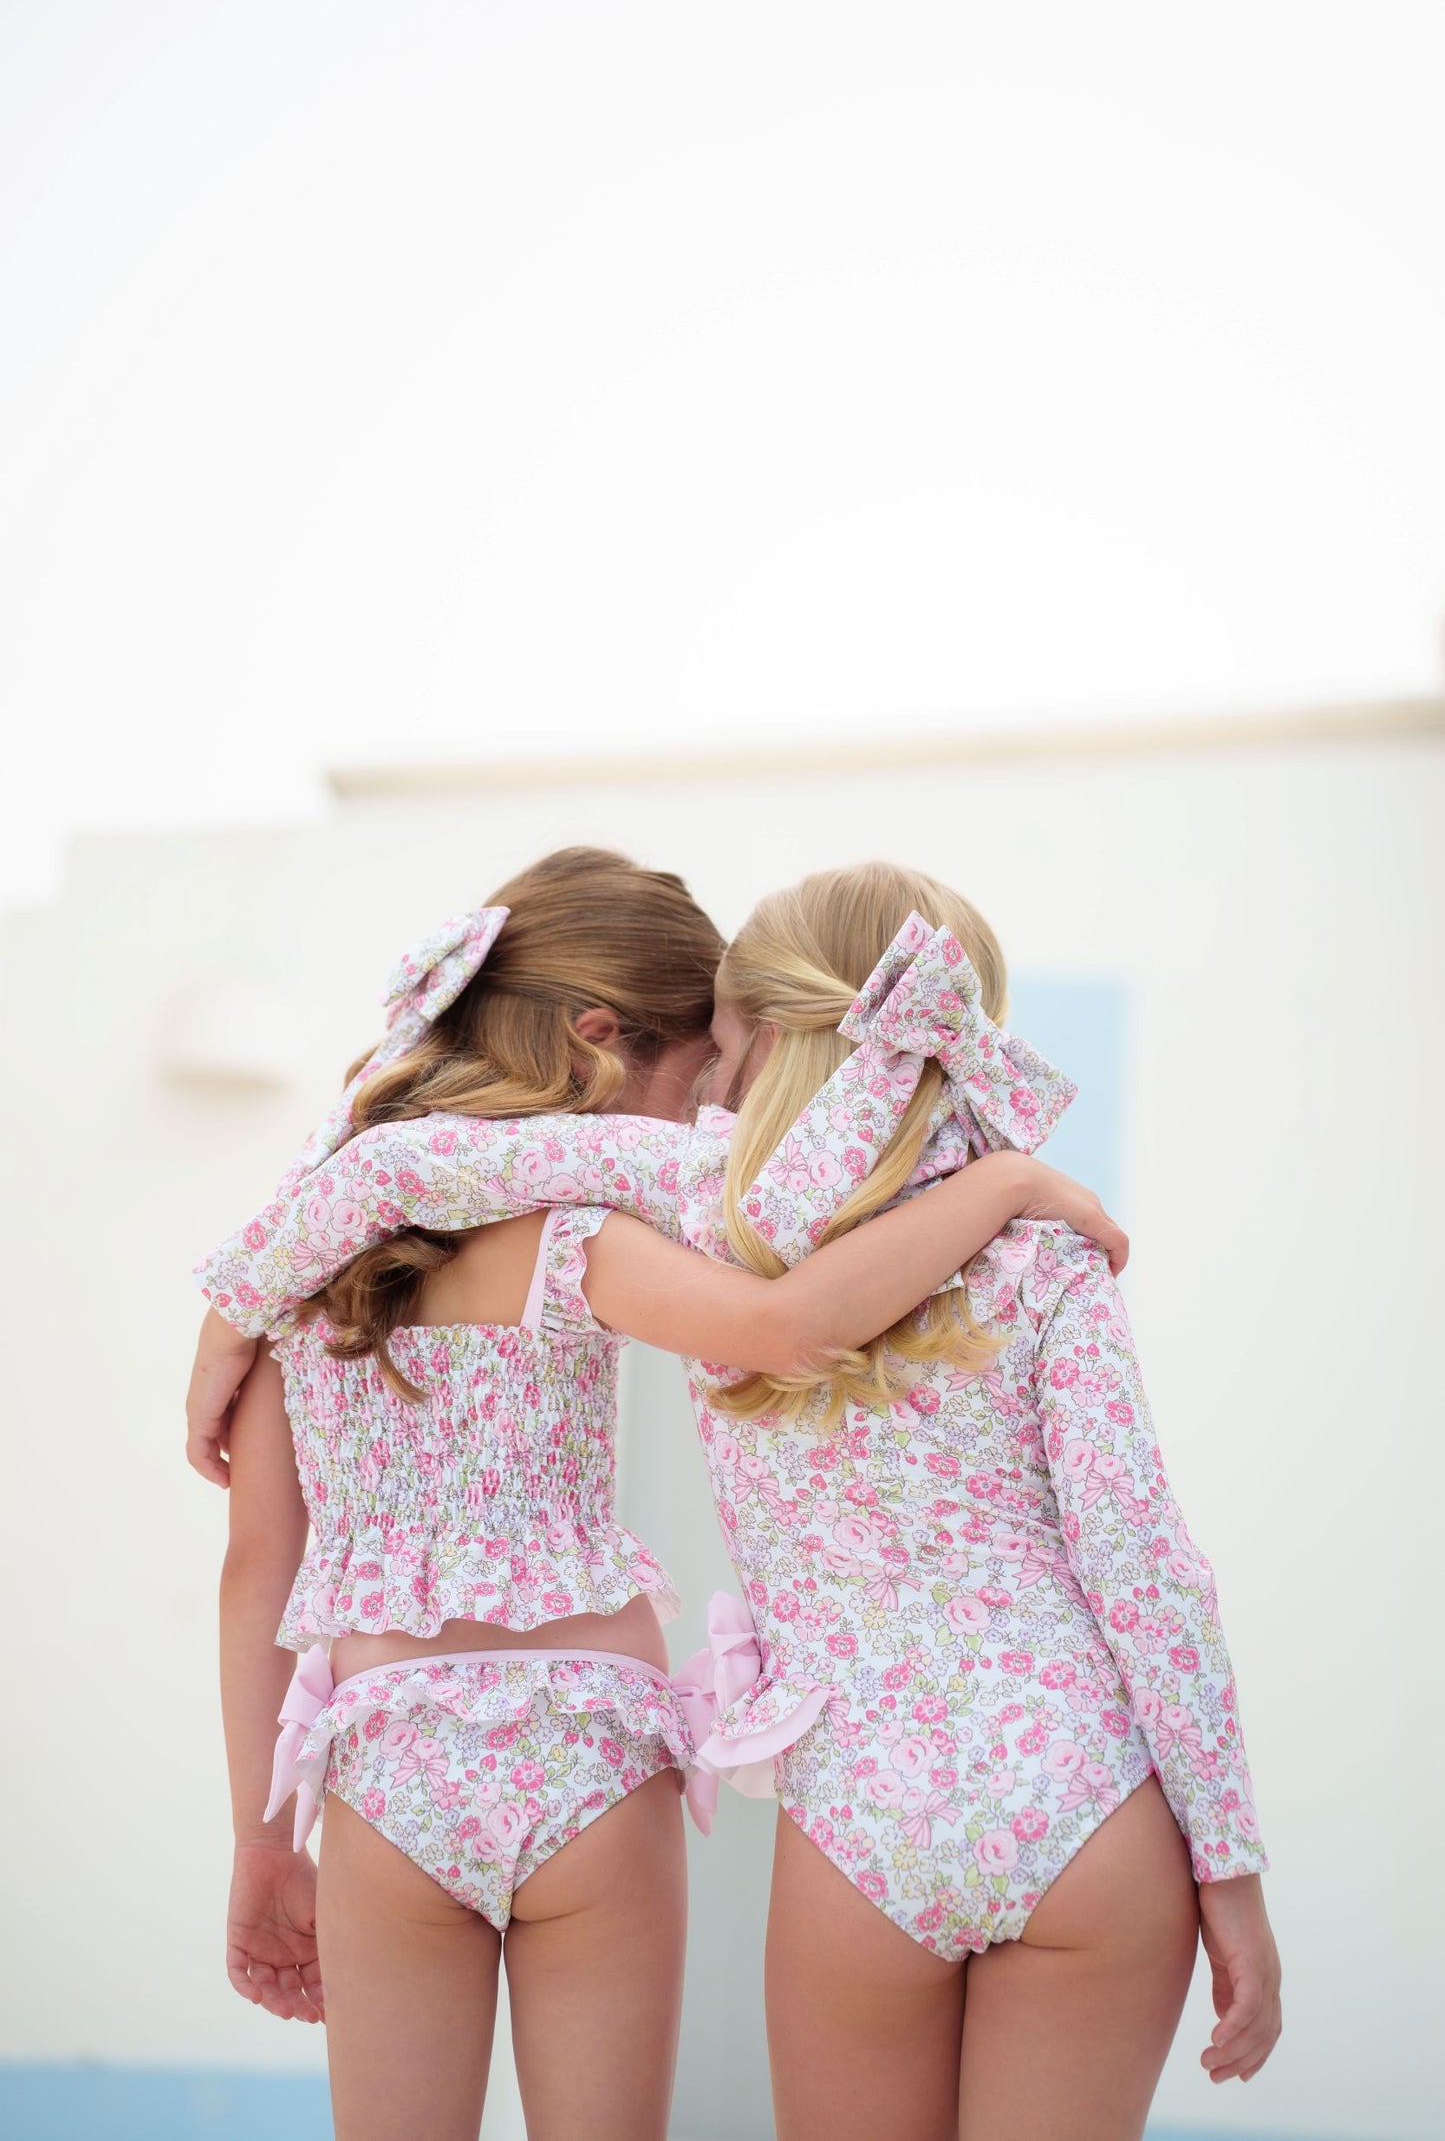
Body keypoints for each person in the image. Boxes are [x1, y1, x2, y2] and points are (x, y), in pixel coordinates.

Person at [201, 846, 1125, 2141]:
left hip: (388, 1754)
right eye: (699, 1078)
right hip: (590, 1744)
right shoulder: (582, 1238)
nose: (705, 1120)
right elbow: (787, 1327)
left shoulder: (298, 1274)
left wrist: (259, 1841)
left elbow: (256, 1571)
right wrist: (1008, 1182)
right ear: (599, 1040)